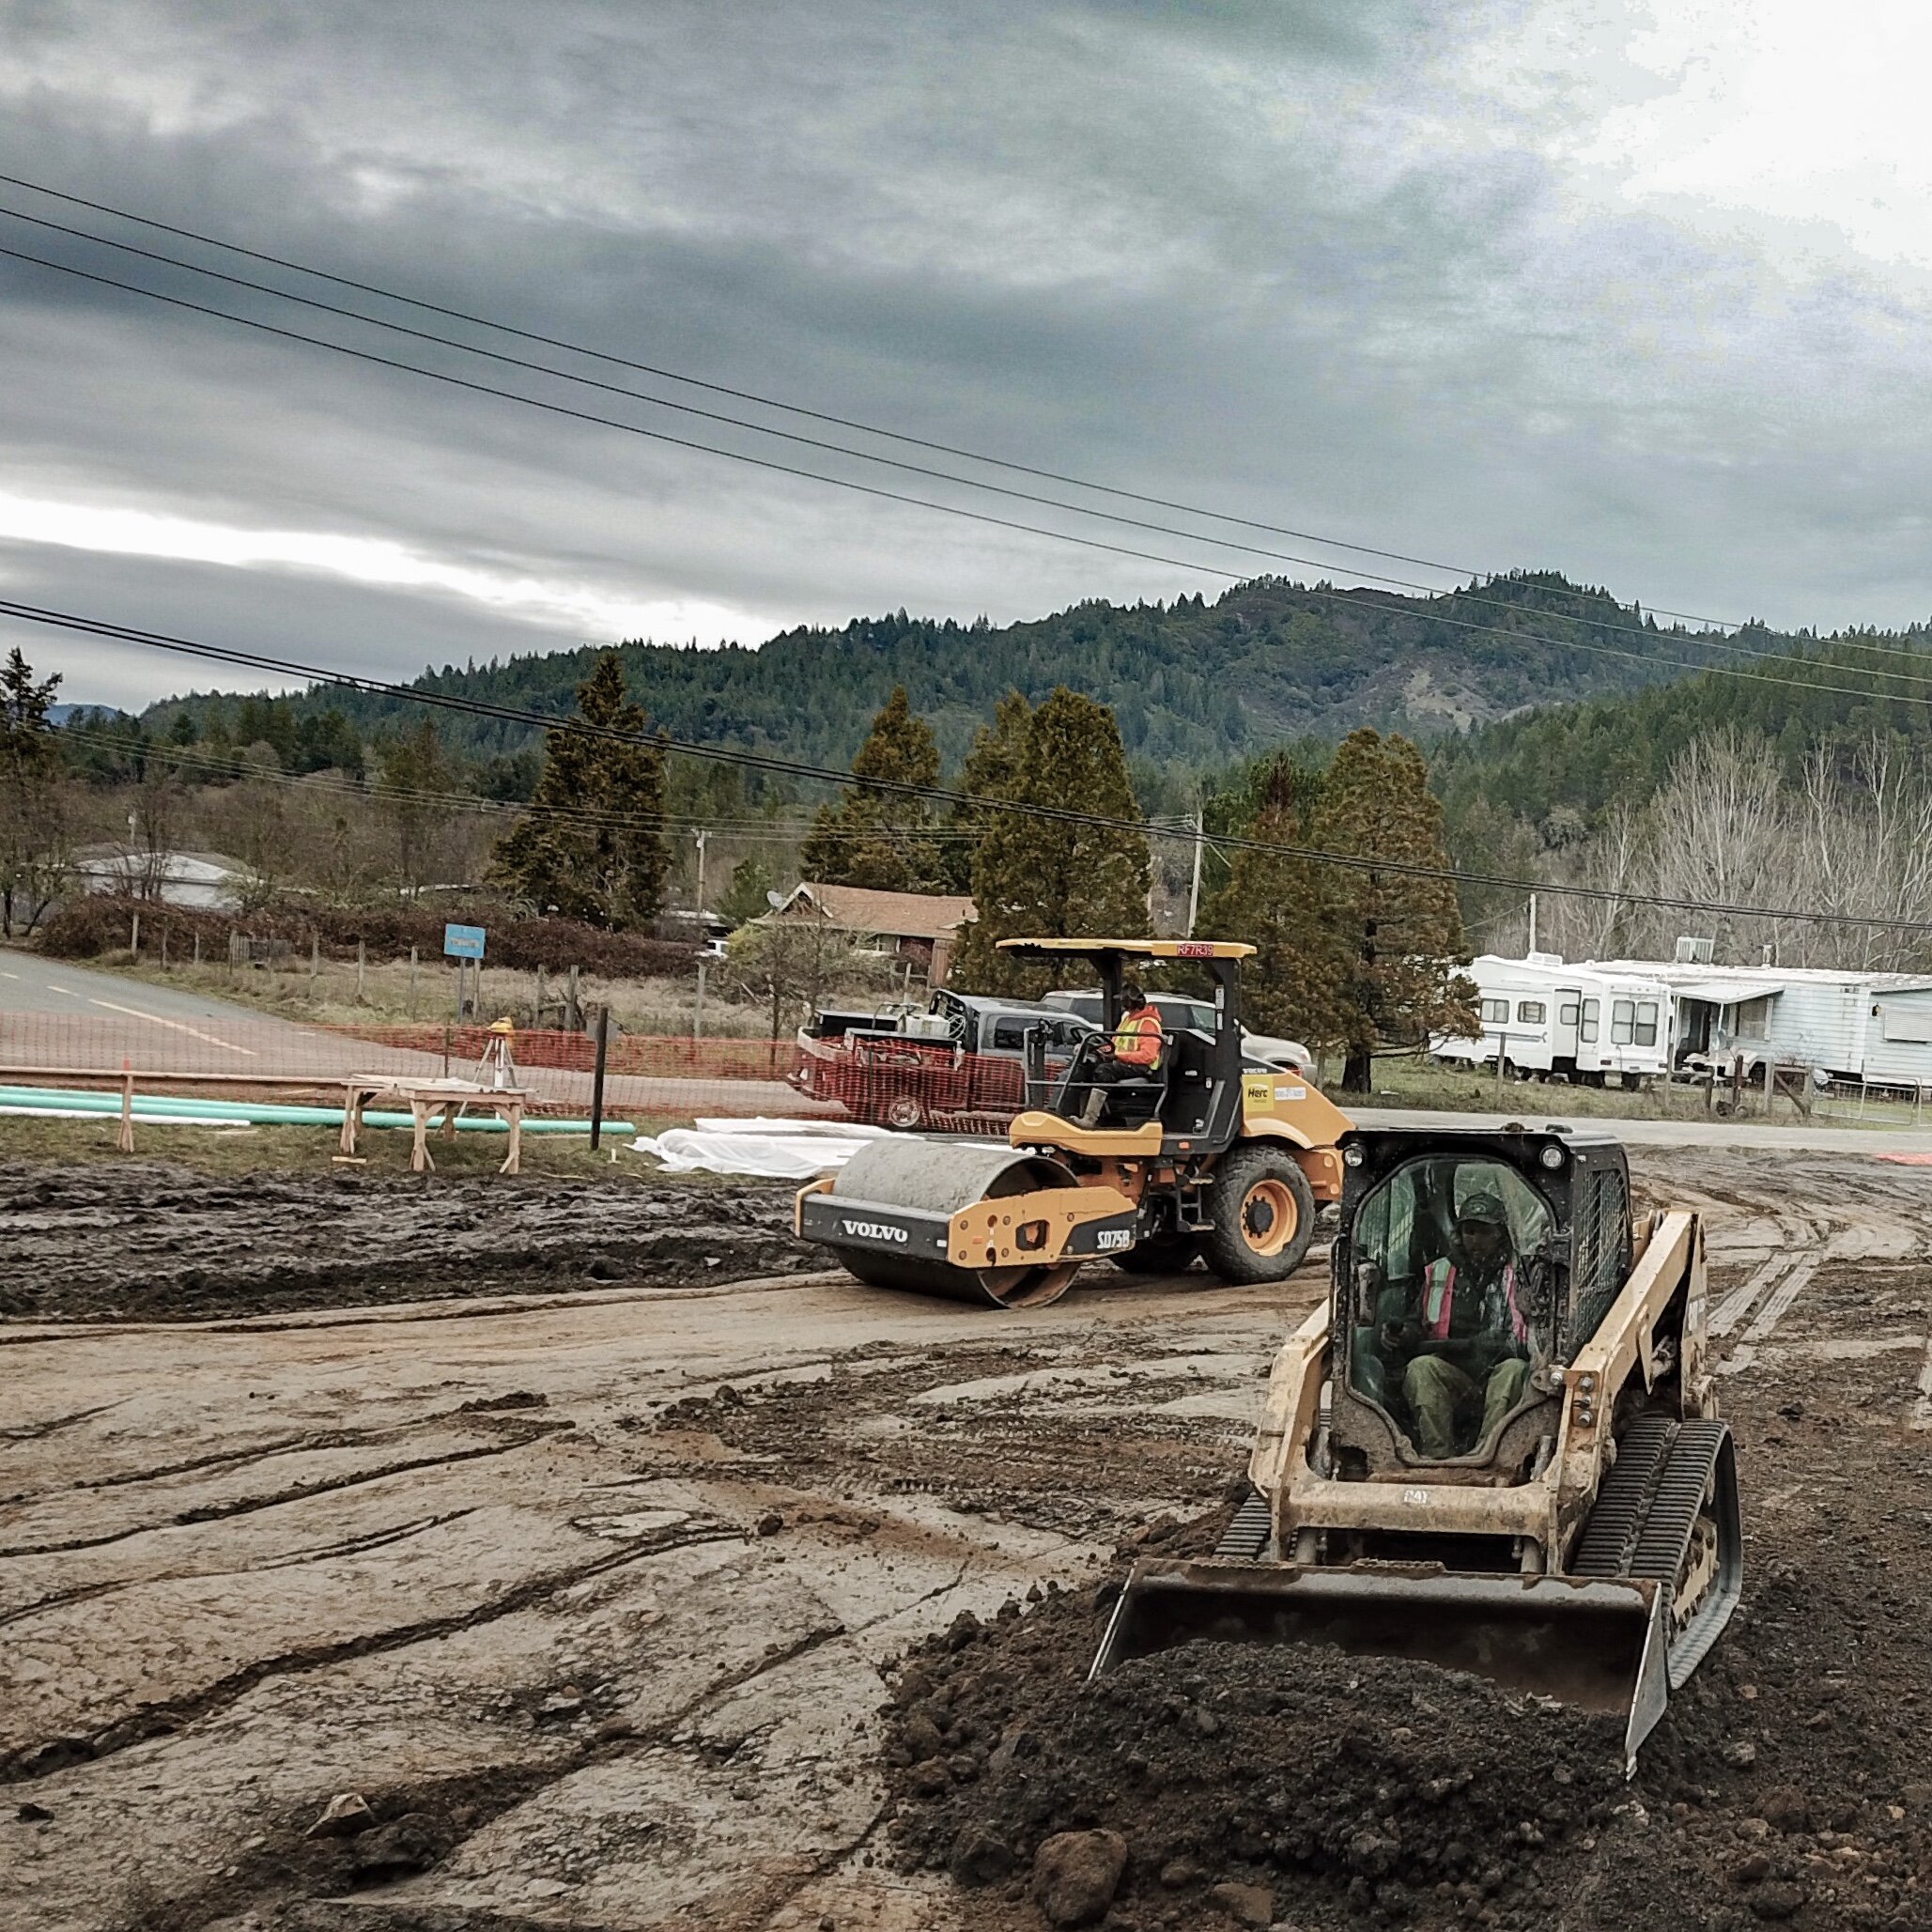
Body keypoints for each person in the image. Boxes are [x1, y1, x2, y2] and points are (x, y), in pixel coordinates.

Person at [1394, 1192, 1534, 1458]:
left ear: (1500, 1234)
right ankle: (1437, 1457)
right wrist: (1404, 1334)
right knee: (1421, 1367)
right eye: (1469, 1232)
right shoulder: (1439, 1272)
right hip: (1455, 1376)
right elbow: (1418, 1322)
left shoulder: (1522, 1274)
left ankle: (1486, 1455)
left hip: (1499, 1374)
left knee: (1514, 1370)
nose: (1475, 1240)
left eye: (1484, 1232)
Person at [1074, 981, 1167, 1126]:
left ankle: (1089, 1119)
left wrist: (1117, 1056)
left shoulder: (1148, 1023)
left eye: (1124, 1000)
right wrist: (1098, 1049)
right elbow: (1115, 1045)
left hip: (1141, 1068)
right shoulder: (1127, 1020)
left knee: (1105, 1071)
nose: (1123, 1004)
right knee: (1085, 1067)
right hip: (1124, 1063)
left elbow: (1148, 1056)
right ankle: (1064, 1113)